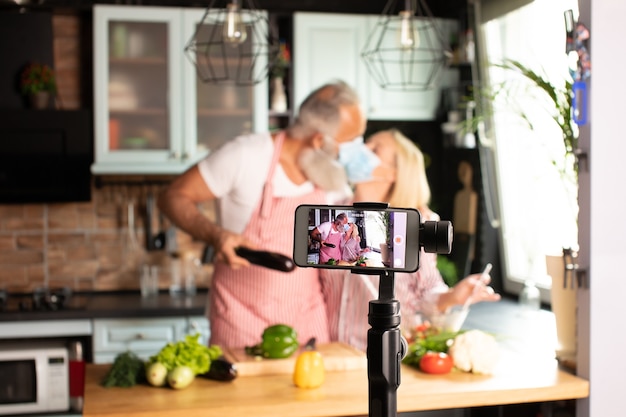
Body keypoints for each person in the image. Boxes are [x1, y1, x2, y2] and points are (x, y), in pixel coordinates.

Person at [157, 80, 367, 348]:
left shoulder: (332, 176)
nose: (356, 152)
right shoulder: (246, 155)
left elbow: (345, 252)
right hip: (242, 322)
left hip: (309, 324)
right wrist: (217, 235)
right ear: (318, 140)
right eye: (350, 142)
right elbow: (172, 196)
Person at [320, 128, 501, 352]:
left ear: (393, 173)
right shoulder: (329, 213)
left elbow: (426, 292)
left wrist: (452, 296)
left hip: (385, 352)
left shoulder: (412, 225)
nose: (362, 149)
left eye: (375, 149)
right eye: (367, 143)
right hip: (334, 353)